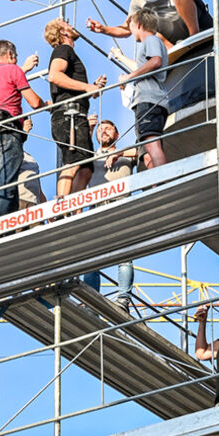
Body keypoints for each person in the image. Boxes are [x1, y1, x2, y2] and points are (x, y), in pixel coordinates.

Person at [0, 42, 45, 219]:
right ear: (10, 55)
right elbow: (34, 102)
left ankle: (5, 227)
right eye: (16, 56)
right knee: (6, 187)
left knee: (5, 185)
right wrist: (48, 105)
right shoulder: (14, 70)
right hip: (5, 132)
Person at [44, 19, 106, 197]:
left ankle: (73, 208)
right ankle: (61, 208)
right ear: (62, 33)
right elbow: (54, 76)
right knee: (72, 162)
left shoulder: (66, 52)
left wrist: (91, 86)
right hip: (69, 115)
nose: (72, 25)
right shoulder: (63, 50)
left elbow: (67, 87)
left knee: (86, 168)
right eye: (67, 24)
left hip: (74, 114)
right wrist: (87, 87)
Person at [82, 116, 138, 309]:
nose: (103, 131)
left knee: (123, 255)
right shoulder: (93, 155)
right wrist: (90, 128)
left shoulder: (126, 154)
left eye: (107, 128)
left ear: (116, 134)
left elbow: (142, 150)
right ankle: (90, 301)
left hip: (119, 205)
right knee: (92, 258)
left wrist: (117, 153)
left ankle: (123, 298)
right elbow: (81, 155)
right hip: (96, 207)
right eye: (100, 129)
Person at [116, 9, 169, 170]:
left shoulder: (151, 40)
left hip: (149, 100)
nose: (131, 30)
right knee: (148, 147)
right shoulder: (153, 42)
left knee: (152, 144)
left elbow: (156, 61)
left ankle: (161, 181)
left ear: (138, 24)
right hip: (150, 100)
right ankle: (156, 182)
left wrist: (130, 77)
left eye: (131, 26)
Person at [17, 117, 47, 209]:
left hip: (34, 204)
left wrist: (48, 210)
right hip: (18, 201)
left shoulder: (29, 158)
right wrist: (24, 132)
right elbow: (13, 149)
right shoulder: (11, 153)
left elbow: (38, 187)